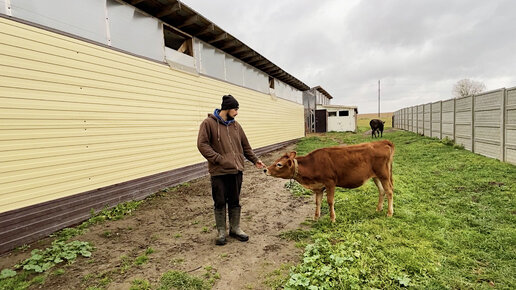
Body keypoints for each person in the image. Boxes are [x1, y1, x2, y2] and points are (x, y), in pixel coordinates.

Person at [197, 94, 266, 246]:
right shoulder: (208, 123)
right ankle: (221, 232)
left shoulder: (236, 126)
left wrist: (255, 160)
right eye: (235, 109)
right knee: (220, 201)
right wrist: (219, 159)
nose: (237, 112)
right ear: (227, 109)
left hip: (236, 171)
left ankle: (235, 229)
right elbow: (202, 145)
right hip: (219, 172)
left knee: (235, 201)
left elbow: (245, 146)